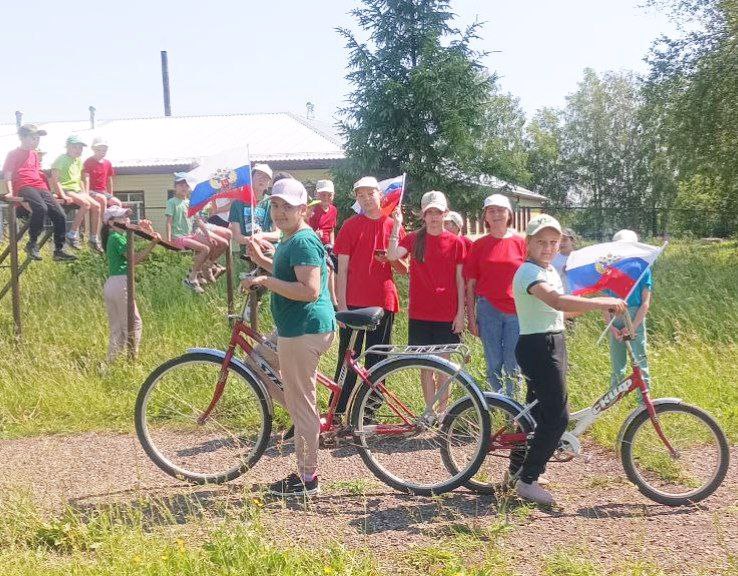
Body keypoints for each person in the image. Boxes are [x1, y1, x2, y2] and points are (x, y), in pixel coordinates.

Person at [510, 214, 627, 505]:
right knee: (557, 417)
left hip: (553, 341)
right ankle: (527, 480)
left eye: (553, 242)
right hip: (538, 345)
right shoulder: (528, 272)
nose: (548, 247)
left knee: (534, 413)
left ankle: (516, 471)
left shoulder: (548, 270)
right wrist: (602, 302)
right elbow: (557, 302)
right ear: (528, 244)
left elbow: (564, 311)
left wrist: (603, 307)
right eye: (541, 242)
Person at [240, 178, 336, 497]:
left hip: (304, 329)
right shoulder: (290, 238)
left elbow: (308, 290)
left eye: (287, 206)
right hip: (293, 328)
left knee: (303, 403)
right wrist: (261, 260)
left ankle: (308, 479)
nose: (280, 212)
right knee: (255, 360)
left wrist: (265, 280)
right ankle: (298, 412)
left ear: (302, 210)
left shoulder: (303, 241)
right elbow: (287, 274)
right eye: (275, 206)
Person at [332, 176, 407, 416]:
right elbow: (341, 268)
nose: (365, 199)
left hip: (383, 301)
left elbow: (404, 269)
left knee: (378, 359)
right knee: (348, 359)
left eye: (370, 193)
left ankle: (369, 413)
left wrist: (391, 255)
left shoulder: (392, 225)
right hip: (353, 302)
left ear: (380, 195)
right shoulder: (350, 225)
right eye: (360, 195)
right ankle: (338, 410)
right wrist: (340, 305)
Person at [387, 191, 465, 415]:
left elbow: (460, 280)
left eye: (437, 212)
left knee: (445, 369)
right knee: (424, 366)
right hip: (420, 314)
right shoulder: (414, 238)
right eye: (429, 212)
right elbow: (393, 255)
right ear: (423, 215)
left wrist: (461, 314)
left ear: (445, 214)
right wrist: (396, 225)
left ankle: (443, 412)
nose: (433, 217)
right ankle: (429, 411)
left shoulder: (457, 243)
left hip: (446, 314)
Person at [464, 194, 526, 397]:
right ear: (486, 217)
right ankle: (497, 401)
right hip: (487, 309)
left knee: (513, 361)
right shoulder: (478, 246)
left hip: (516, 310)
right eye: (491, 210)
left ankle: (514, 408)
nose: (497, 214)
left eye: (501, 210)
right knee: (493, 361)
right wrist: (471, 318)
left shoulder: (522, 243)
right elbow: (470, 284)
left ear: (509, 214)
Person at [1, 124, 76, 261]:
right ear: (22, 138)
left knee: (60, 214)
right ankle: (32, 243)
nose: (37, 141)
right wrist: (10, 192)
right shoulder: (13, 154)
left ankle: (59, 250)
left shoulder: (34, 154)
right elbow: (8, 175)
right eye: (33, 138)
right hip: (23, 185)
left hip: (40, 186)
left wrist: (50, 193)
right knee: (40, 208)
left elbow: (37, 174)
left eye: (38, 138)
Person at [101, 206, 160, 362]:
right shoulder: (117, 237)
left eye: (127, 217)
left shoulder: (117, 237)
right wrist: (152, 245)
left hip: (112, 283)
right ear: (112, 222)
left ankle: (110, 364)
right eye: (122, 217)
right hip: (121, 282)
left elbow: (137, 239)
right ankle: (132, 361)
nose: (126, 220)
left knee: (118, 328)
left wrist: (145, 229)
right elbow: (134, 259)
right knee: (134, 323)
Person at [605, 229, 652, 391]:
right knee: (617, 366)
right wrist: (611, 327)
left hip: (635, 317)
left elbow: (645, 303)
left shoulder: (642, 268)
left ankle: (643, 404)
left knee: (640, 362)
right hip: (615, 317)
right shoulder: (610, 270)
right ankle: (614, 403)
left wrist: (632, 326)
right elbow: (605, 302)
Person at [165, 173, 225, 294]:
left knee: (213, 243)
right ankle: (191, 277)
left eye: (186, 185)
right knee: (205, 249)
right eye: (181, 185)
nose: (183, 187)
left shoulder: (189, 203)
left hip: (189, 235)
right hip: (179, 237)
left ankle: (204, 270)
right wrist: (169, 239)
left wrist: (208, 235)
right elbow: (169, 222)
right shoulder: (172, 202)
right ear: (175, 187)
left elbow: (198, 221)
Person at [51, 136, 103, 252]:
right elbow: (55, 179)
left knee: (97, 206)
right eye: (75, 147)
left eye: (80, 148)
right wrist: (62, 195)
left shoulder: (79, 161)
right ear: (68, 147)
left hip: (77, 190)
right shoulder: (61, 159)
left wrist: (85, 193)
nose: (78, 150)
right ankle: (72, 234)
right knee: (85, 204)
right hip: (65, 189)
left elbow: (79, 179)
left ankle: (94, 238)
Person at [229, 163, 280, 253]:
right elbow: (237, 235)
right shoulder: (237, 204)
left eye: (266, 177)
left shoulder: (272, 203)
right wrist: (253, 240)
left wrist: (261, 237)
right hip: (249, 247)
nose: (262, 179)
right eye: (259, 175)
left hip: (269, 246)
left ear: (268, 184)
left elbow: (278, 233)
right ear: (251, 178)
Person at [84, 137, 122, 251]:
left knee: (117, 203)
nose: (102, 152)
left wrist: (111, 194)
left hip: (103, 191)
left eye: (104, 150)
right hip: (91, 191)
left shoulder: (107, 163)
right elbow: (85, 179)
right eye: (100, 150)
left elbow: (109, 179)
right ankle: (96, 235)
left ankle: (115, 229)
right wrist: (86, 194)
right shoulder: (88, 162)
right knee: (102, 200)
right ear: (94, 149)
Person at [308, 179, 338, 247]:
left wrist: (332, 244)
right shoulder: (312, 209)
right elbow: (304, 230)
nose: (326, 197)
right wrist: (314, 234)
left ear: (333, 195)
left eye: (329, 195)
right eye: (323, 194)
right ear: (317, 194)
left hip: (328, 246)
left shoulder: (334, 210)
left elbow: (331, 230)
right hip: (313, 244)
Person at [551, 228, 576, 293]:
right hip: (558, 295)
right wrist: (561, 271)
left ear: (572, 241)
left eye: (564, 240)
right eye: (559, 240)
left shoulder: (579, 257)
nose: (561, 243)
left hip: (577, 296)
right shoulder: (551, 258)